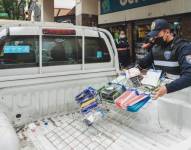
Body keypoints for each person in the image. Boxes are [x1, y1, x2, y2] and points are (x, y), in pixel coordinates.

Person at [137, 19, 191, 99]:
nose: (154, 38)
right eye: (153, 35)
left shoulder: (183, 47)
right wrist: (134, 69)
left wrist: (167, 88)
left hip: (182, 93)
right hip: (161, 93)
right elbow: (143, 63)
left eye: (157, 35)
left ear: (167, 32)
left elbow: (189, 75)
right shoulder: (155, 48)